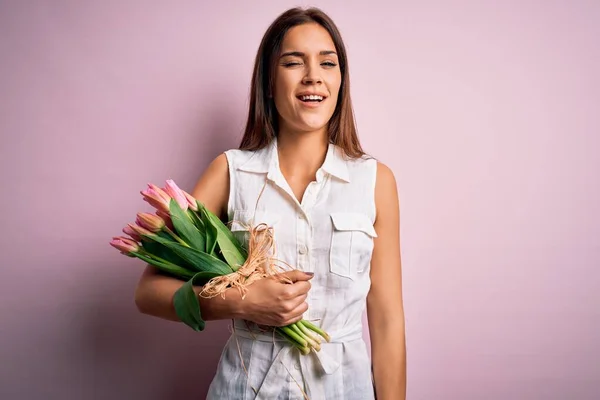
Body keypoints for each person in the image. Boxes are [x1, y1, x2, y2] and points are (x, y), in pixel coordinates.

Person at [134, 6, 406, 400]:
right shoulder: (229, 171)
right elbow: (148, 293)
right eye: (294, 62)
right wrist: (241, 300)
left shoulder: (375, 180)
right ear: (268, 82)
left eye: (327, 63)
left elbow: (387, 321)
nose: (313, 75)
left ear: (341, 81)